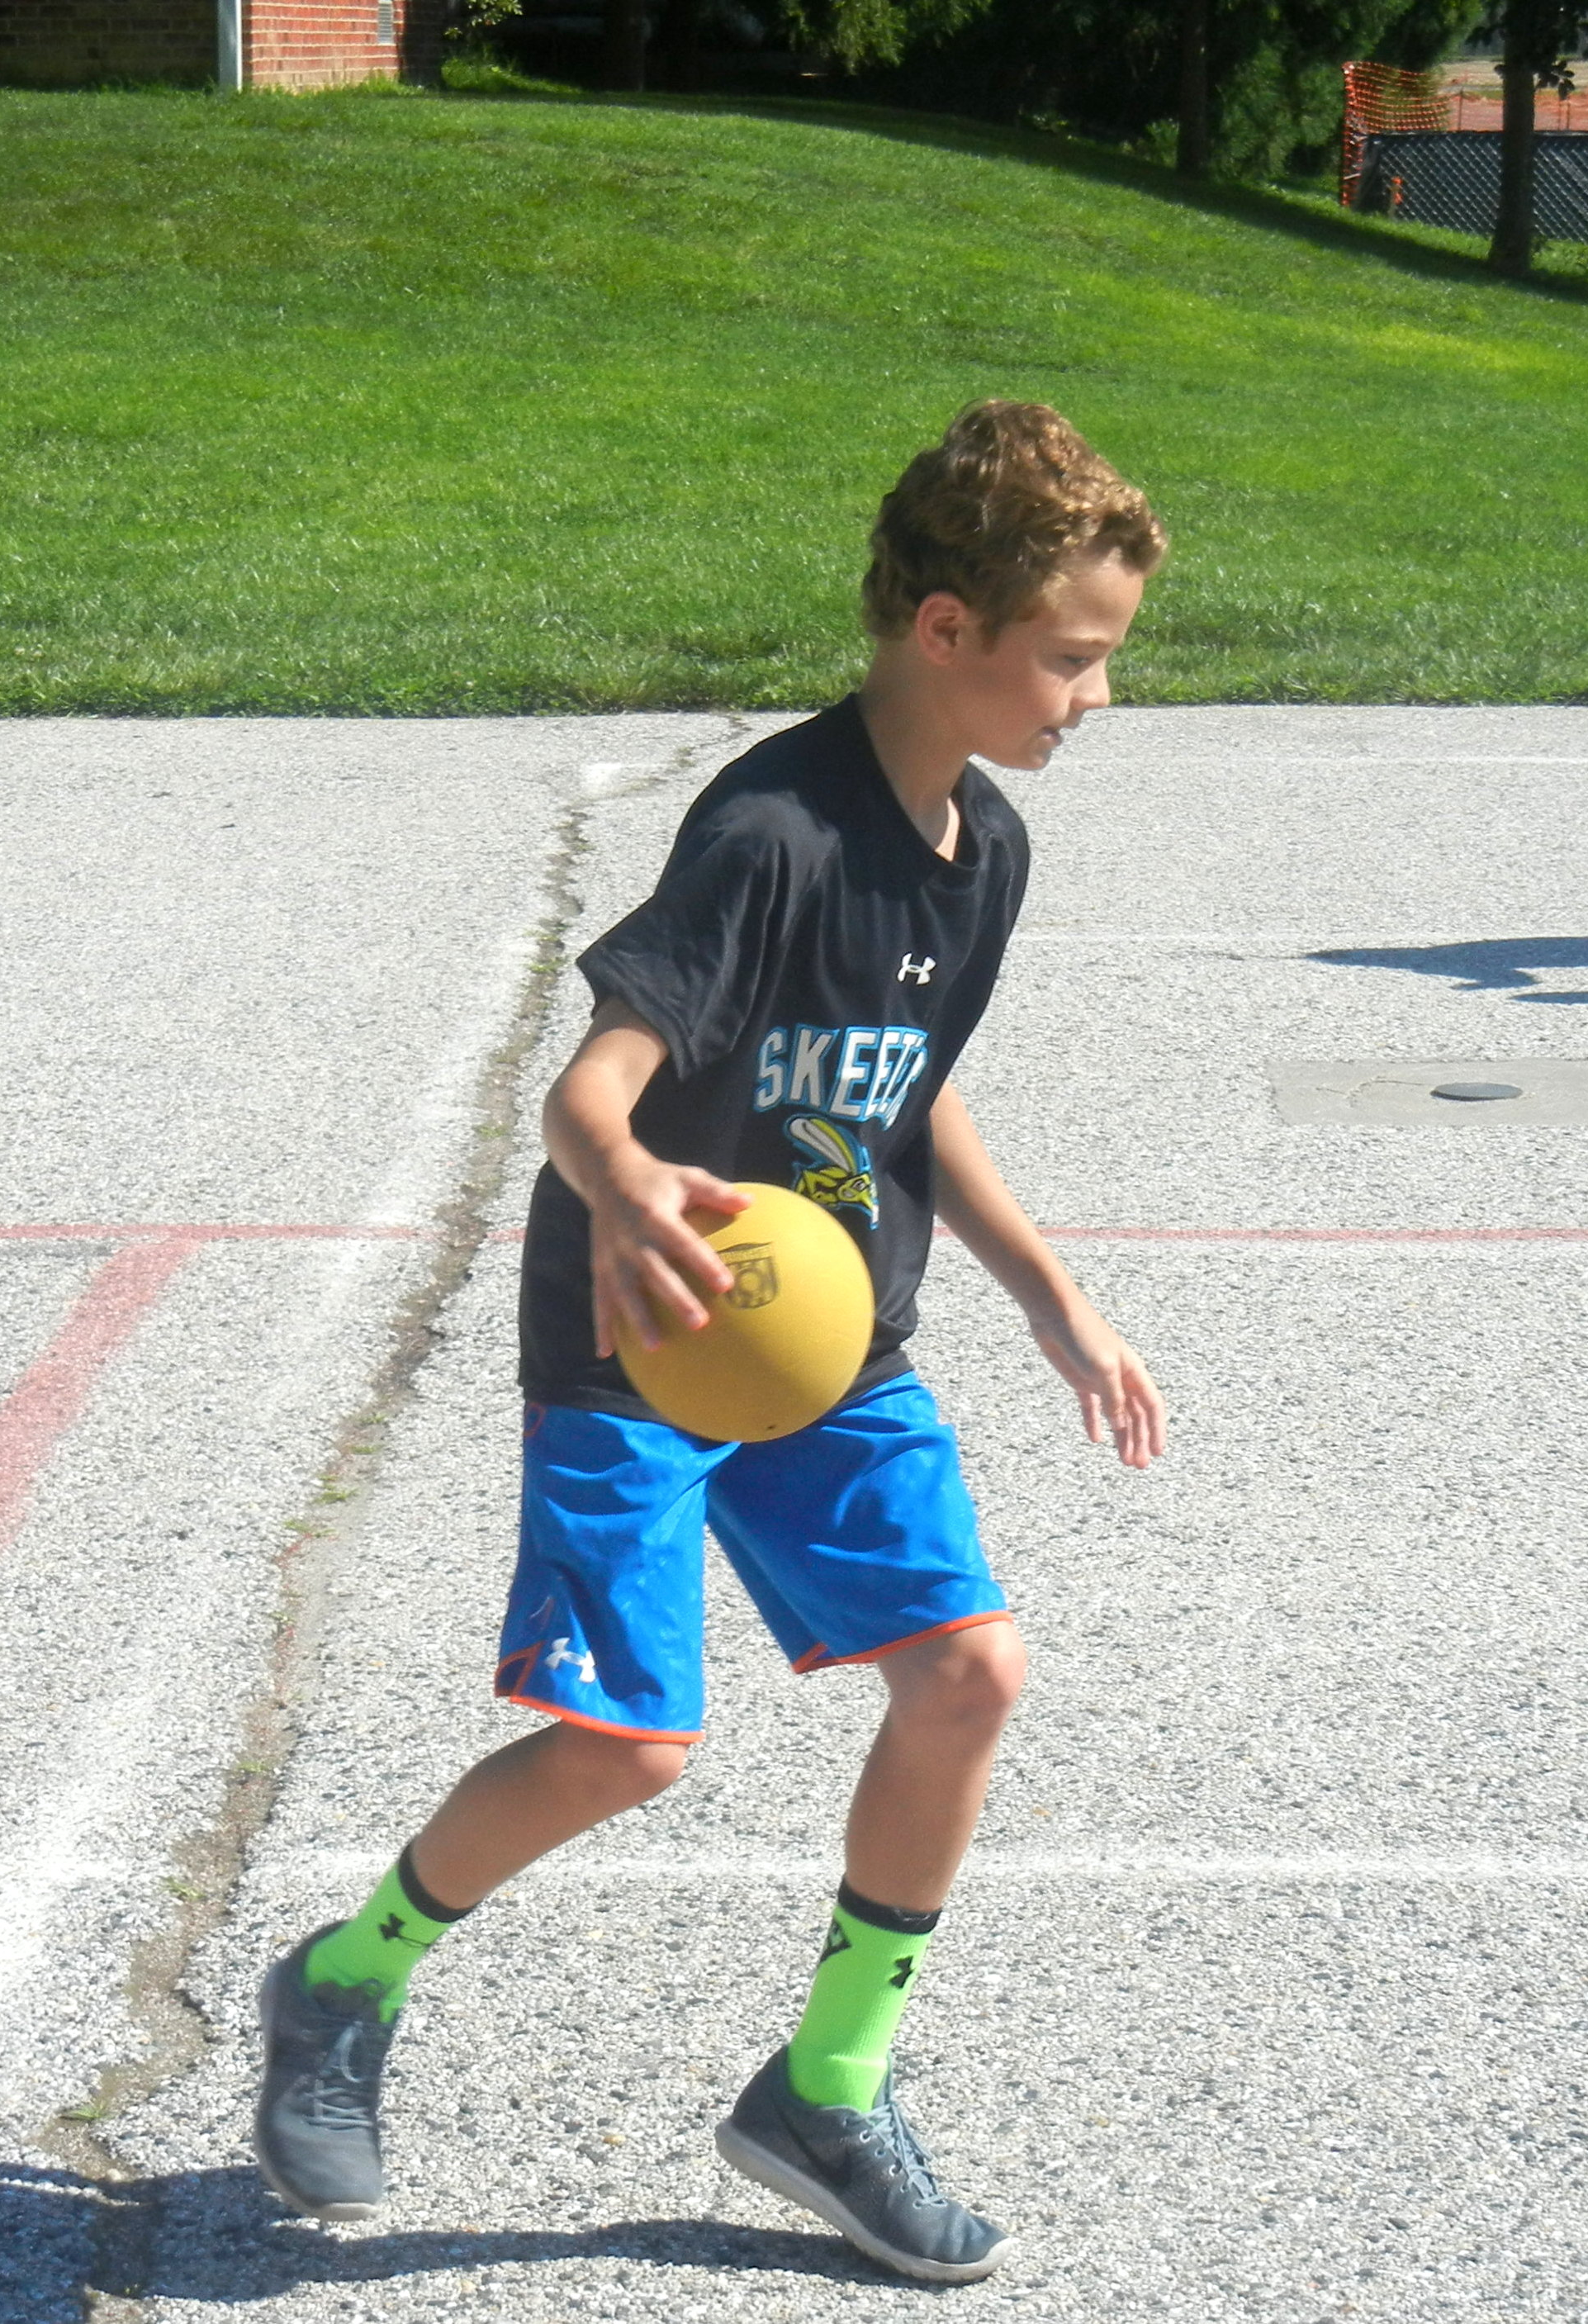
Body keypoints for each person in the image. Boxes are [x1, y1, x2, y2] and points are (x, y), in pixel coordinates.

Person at [253, 401, 1168, 2284]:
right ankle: (345, 1984)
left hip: (834, 1338)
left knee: (970, 1676)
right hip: (645, 1337)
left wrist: (1049, 1292)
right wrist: (623, 1188)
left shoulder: (979, 848)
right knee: (626, 1750)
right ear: (944, 629)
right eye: (1072, 656)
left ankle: (827, 2086)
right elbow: (590, 1092)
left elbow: (910, 1102)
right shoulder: (767, 834)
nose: (1096, 696)